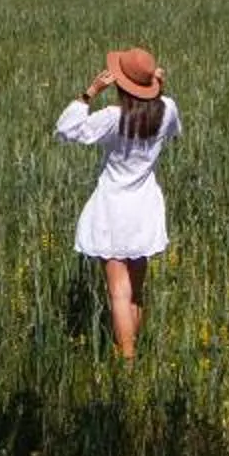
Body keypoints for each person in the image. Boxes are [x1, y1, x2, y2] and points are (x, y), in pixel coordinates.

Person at [54, 45, 181, 359]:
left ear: (121, 84)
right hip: (145, 207)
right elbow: (170, 127)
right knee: (135, 292)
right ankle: (132, 354)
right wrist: (159, 92)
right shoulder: (167, 109)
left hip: (113, 208)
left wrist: (89, 93)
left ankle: (127, 362)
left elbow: (65, 130)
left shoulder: (114, 117)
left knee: (118, 293)